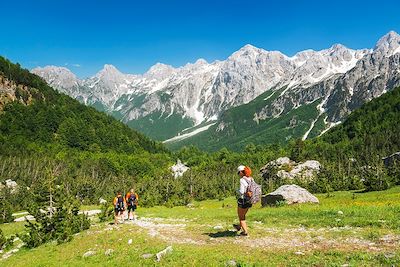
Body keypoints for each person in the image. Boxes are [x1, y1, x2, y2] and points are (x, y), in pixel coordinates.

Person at [233, 165, 253, 236]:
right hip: (250, 200)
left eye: (238, 173)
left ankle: (245, 232)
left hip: (243, 200)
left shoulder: (242, 180)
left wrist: (236, 190)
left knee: (241, 217)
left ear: (241, 172)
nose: (238, 174)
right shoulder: (251, 178)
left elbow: (242, 191)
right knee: (243, 215)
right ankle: (239, 227)